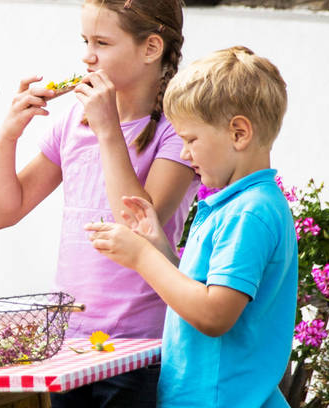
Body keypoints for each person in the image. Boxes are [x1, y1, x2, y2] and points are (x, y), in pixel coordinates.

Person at [0, 0, 195, 408]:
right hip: (72, 342)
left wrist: (108, 131)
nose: (87, 57)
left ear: (150, 48)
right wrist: (8, 135)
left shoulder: (177, 131)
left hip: (141, 347)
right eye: (85, 42)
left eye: (102, 43)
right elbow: (5, 213)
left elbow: (139, 222)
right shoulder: (71, 123)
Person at [88, 46, 295, 408]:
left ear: (239, 133)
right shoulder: (234, 205)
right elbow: (201, 291)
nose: (184, 153)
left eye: (190, 139)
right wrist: (157, 246)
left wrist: (140, 259)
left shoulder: (249, 213)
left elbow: (214, 315)